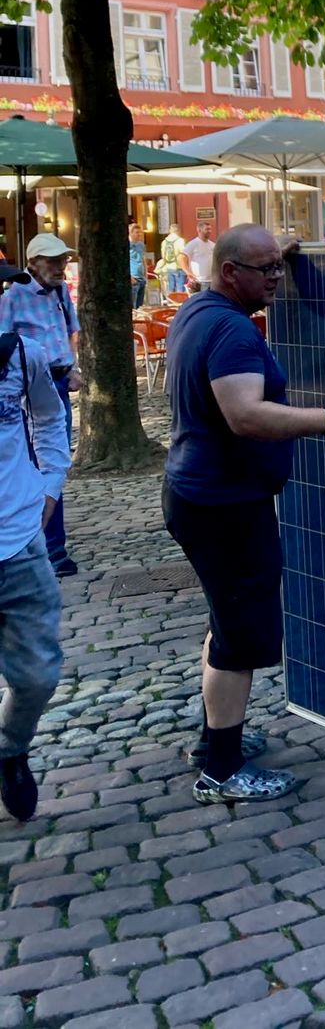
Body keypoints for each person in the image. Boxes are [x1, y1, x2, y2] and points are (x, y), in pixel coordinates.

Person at [163, 224, 325, 804]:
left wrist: (274, 250)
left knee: (226, 620)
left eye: (278, 268)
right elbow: (246, 415)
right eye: (265, 271)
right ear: (230, 273)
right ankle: (222, 770)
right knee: (242, 635)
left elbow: (247, 262)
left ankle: (215, 737)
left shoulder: (198, 309)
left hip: (200, 494)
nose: (276, 280)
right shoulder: (233, 332)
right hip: (224, 506)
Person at [0, 268, 73, 821]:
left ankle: (10, 749)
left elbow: (50, 419)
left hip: (19, 540)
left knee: (38, 674)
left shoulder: (19, 355)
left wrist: (50, 486)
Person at [5, 235, 81, 578]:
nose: (60, 267)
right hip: (27, 388)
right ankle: (44, 547)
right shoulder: (12, 297)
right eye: (52, 261)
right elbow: (5, 344)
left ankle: (55, 547)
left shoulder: (61, 293)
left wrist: (72, 366)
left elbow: (71, 331)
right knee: (35, 464)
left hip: (59, 383)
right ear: (33, 262)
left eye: (63, 260)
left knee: (55, 461)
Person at [181, 219, 215, 290]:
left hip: (212, 280)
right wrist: (188, 272)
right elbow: (181, 257)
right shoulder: (193, 243)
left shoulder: (212, 244)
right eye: (207, 229)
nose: (209, 231)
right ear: (199, 230)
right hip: (200, 281)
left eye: (210, 229)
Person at [158, 222, 186, 296]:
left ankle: (171, 303)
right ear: (178, 231)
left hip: (169, 267)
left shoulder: (164, 242)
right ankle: (179, 305)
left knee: (171, 289)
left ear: (170, 231)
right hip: (179, 267)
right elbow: (183, 254)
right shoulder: (180, 241)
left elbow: (163, 256)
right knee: (180, 289)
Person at [128, 222, 148, 310]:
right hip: (133, 277)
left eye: (140, 232)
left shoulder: (141, 245)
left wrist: (146, 274)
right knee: (133, 305)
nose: (139, 234)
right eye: (136, 232)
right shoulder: (127, 245)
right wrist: (130, 276)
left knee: (140, 306)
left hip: (141, 277)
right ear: (131, 233)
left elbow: (143, 259)